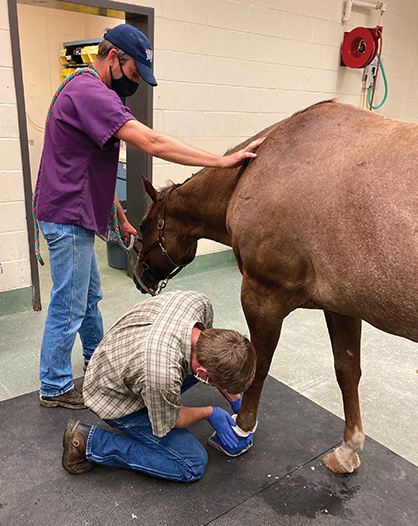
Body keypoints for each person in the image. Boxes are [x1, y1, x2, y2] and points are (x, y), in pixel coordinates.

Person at [34, 24, 264, 409]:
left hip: (74, 213)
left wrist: (119, 217)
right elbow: (153, 142)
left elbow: (89, 168)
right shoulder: (91, 93)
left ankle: (95, 359)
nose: (134, 83)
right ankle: (54, 386)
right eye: (134, 74)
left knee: (88, 297)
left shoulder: (86, 89)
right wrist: (223, 161)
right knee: (70, 302)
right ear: (113, 58)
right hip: (66, 216)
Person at [62, 290, 257, 481]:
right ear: (203, 372)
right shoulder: (161, 373)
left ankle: (154, 395)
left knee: (173, 378)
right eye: (212, 380)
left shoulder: (199, 303)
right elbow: (173, 420)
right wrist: (211, 413)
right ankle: (89, 443)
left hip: (127, 355)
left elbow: (213, 358)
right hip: (111, 394)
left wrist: (238, 402)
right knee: (192, 464)